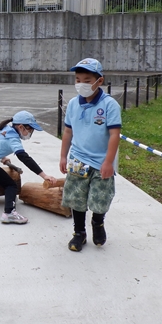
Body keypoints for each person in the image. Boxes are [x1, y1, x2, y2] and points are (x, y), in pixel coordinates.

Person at [59, 58, 121, 252]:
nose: (81, 84)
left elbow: (114, 135)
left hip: (102, 161)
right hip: (78, 159)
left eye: (86, 80)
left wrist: (109, 162)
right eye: (78, 79)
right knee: (76, 199)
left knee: (100, 198)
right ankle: (79, 233)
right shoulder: (72, 105)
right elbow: (68, 132)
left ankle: (98, 223)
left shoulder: (110, 105)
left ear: (99, 81)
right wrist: (63, 156)